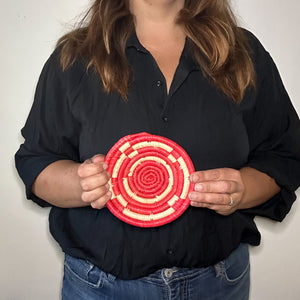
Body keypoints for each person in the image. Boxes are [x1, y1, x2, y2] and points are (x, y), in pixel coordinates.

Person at [15, 0, 300, 299]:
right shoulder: (73, 58)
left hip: (217, 284)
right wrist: (79, 184)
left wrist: (242, 190)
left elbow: (283, 154)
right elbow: (37, 160)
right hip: (100, 287)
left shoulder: (243, 54)